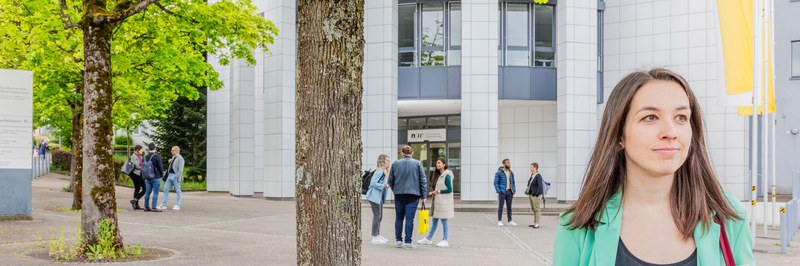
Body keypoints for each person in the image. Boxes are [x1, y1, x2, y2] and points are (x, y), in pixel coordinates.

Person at [553, 69, 754, 265]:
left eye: (681, 117)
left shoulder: (729, 217)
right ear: (619, 135)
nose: (670, 132)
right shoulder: (577, 227)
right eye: (650, 117)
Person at [388, 145, 427, 249]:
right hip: (413, 194)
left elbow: (390, 181)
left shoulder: (395, 164)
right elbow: (423, 180)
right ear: (412, 153)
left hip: (399, 194)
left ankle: (398, 241)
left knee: (399, 217)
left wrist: (395, 190)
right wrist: (423, 195)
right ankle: (408, 242)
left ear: (402, 153)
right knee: (410, 218)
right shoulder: (418, 163)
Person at [417, 157, 454, 248]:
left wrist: (438, 192)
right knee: (434, 220)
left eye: (439, 163)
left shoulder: (447, 175)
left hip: (443, 202)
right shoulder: (439, 175)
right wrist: (433, 192)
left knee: (444, 220)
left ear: (444, 164)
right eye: (437, 163)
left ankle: (445, 240)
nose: (437, 164)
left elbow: (450, 189)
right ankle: (428, 238)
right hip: (438, 202)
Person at [366, 154, 391, 245]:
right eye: (387, 160)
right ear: (382, 161)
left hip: (378, 197)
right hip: (374, 196)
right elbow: (373, 183)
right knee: (377, 216)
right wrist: (383, 186)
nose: (389, 162)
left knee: (380, 216)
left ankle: (378, 235)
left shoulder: (383, 171)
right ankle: (374, 237)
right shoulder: (380, 170)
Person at [159, 146, 184, 211]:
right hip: (169, 175)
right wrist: (170, 161)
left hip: (175, 176)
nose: (171, 151)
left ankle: (177, 205)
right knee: (165, 189)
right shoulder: (173, 157)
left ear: (177, 151)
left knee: (178, 191)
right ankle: (163, 205)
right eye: (171, 150)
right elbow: (173, 165)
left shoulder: (181, 159)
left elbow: (181, 170)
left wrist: (176, 176)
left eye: (172, 150)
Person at [494, 159, 516, 226]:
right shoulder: (499, 172)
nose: (509, 164)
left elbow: (513, 182)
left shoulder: (511, 173)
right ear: (504, 164)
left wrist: (514, 190)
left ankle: (510, 221)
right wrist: (499, 191)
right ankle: (499, 221)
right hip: (502, 192)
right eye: (507, 163)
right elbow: (495, 183)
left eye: (509, 163)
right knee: (501, 206)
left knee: (509, 207)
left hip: (510, 192)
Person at [142, 143, 164, 212]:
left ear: (148, 148)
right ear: (155, 148)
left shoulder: (145, 157)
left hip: (147, 177)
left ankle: (146, 207)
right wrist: (161, 175)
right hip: (156, 177)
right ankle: (154, 207)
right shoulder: (157, 156)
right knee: (155, 192)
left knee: (147, 192)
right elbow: (160, 167)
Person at [525, 162, 543, 229]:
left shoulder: (538, 175)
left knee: (537, 209)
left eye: (531, 167)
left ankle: (537, 223)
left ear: (535, 167)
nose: (530, 168)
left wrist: (536, 194)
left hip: (535, 195)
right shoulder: (532, 174)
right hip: (531, 194)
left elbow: (540, 186)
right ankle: (535, 222)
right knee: (533, 209)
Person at [129, 145, 145, 210]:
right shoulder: (133, 156)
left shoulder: (140, 156)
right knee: (137, 189)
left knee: (145, 188)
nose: (142, 151)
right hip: (135, 174)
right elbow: (137, 166)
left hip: (140, 174)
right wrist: (144, 168)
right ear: (137, 149)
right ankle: (136, 204)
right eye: (141, 149)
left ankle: (135, 200)